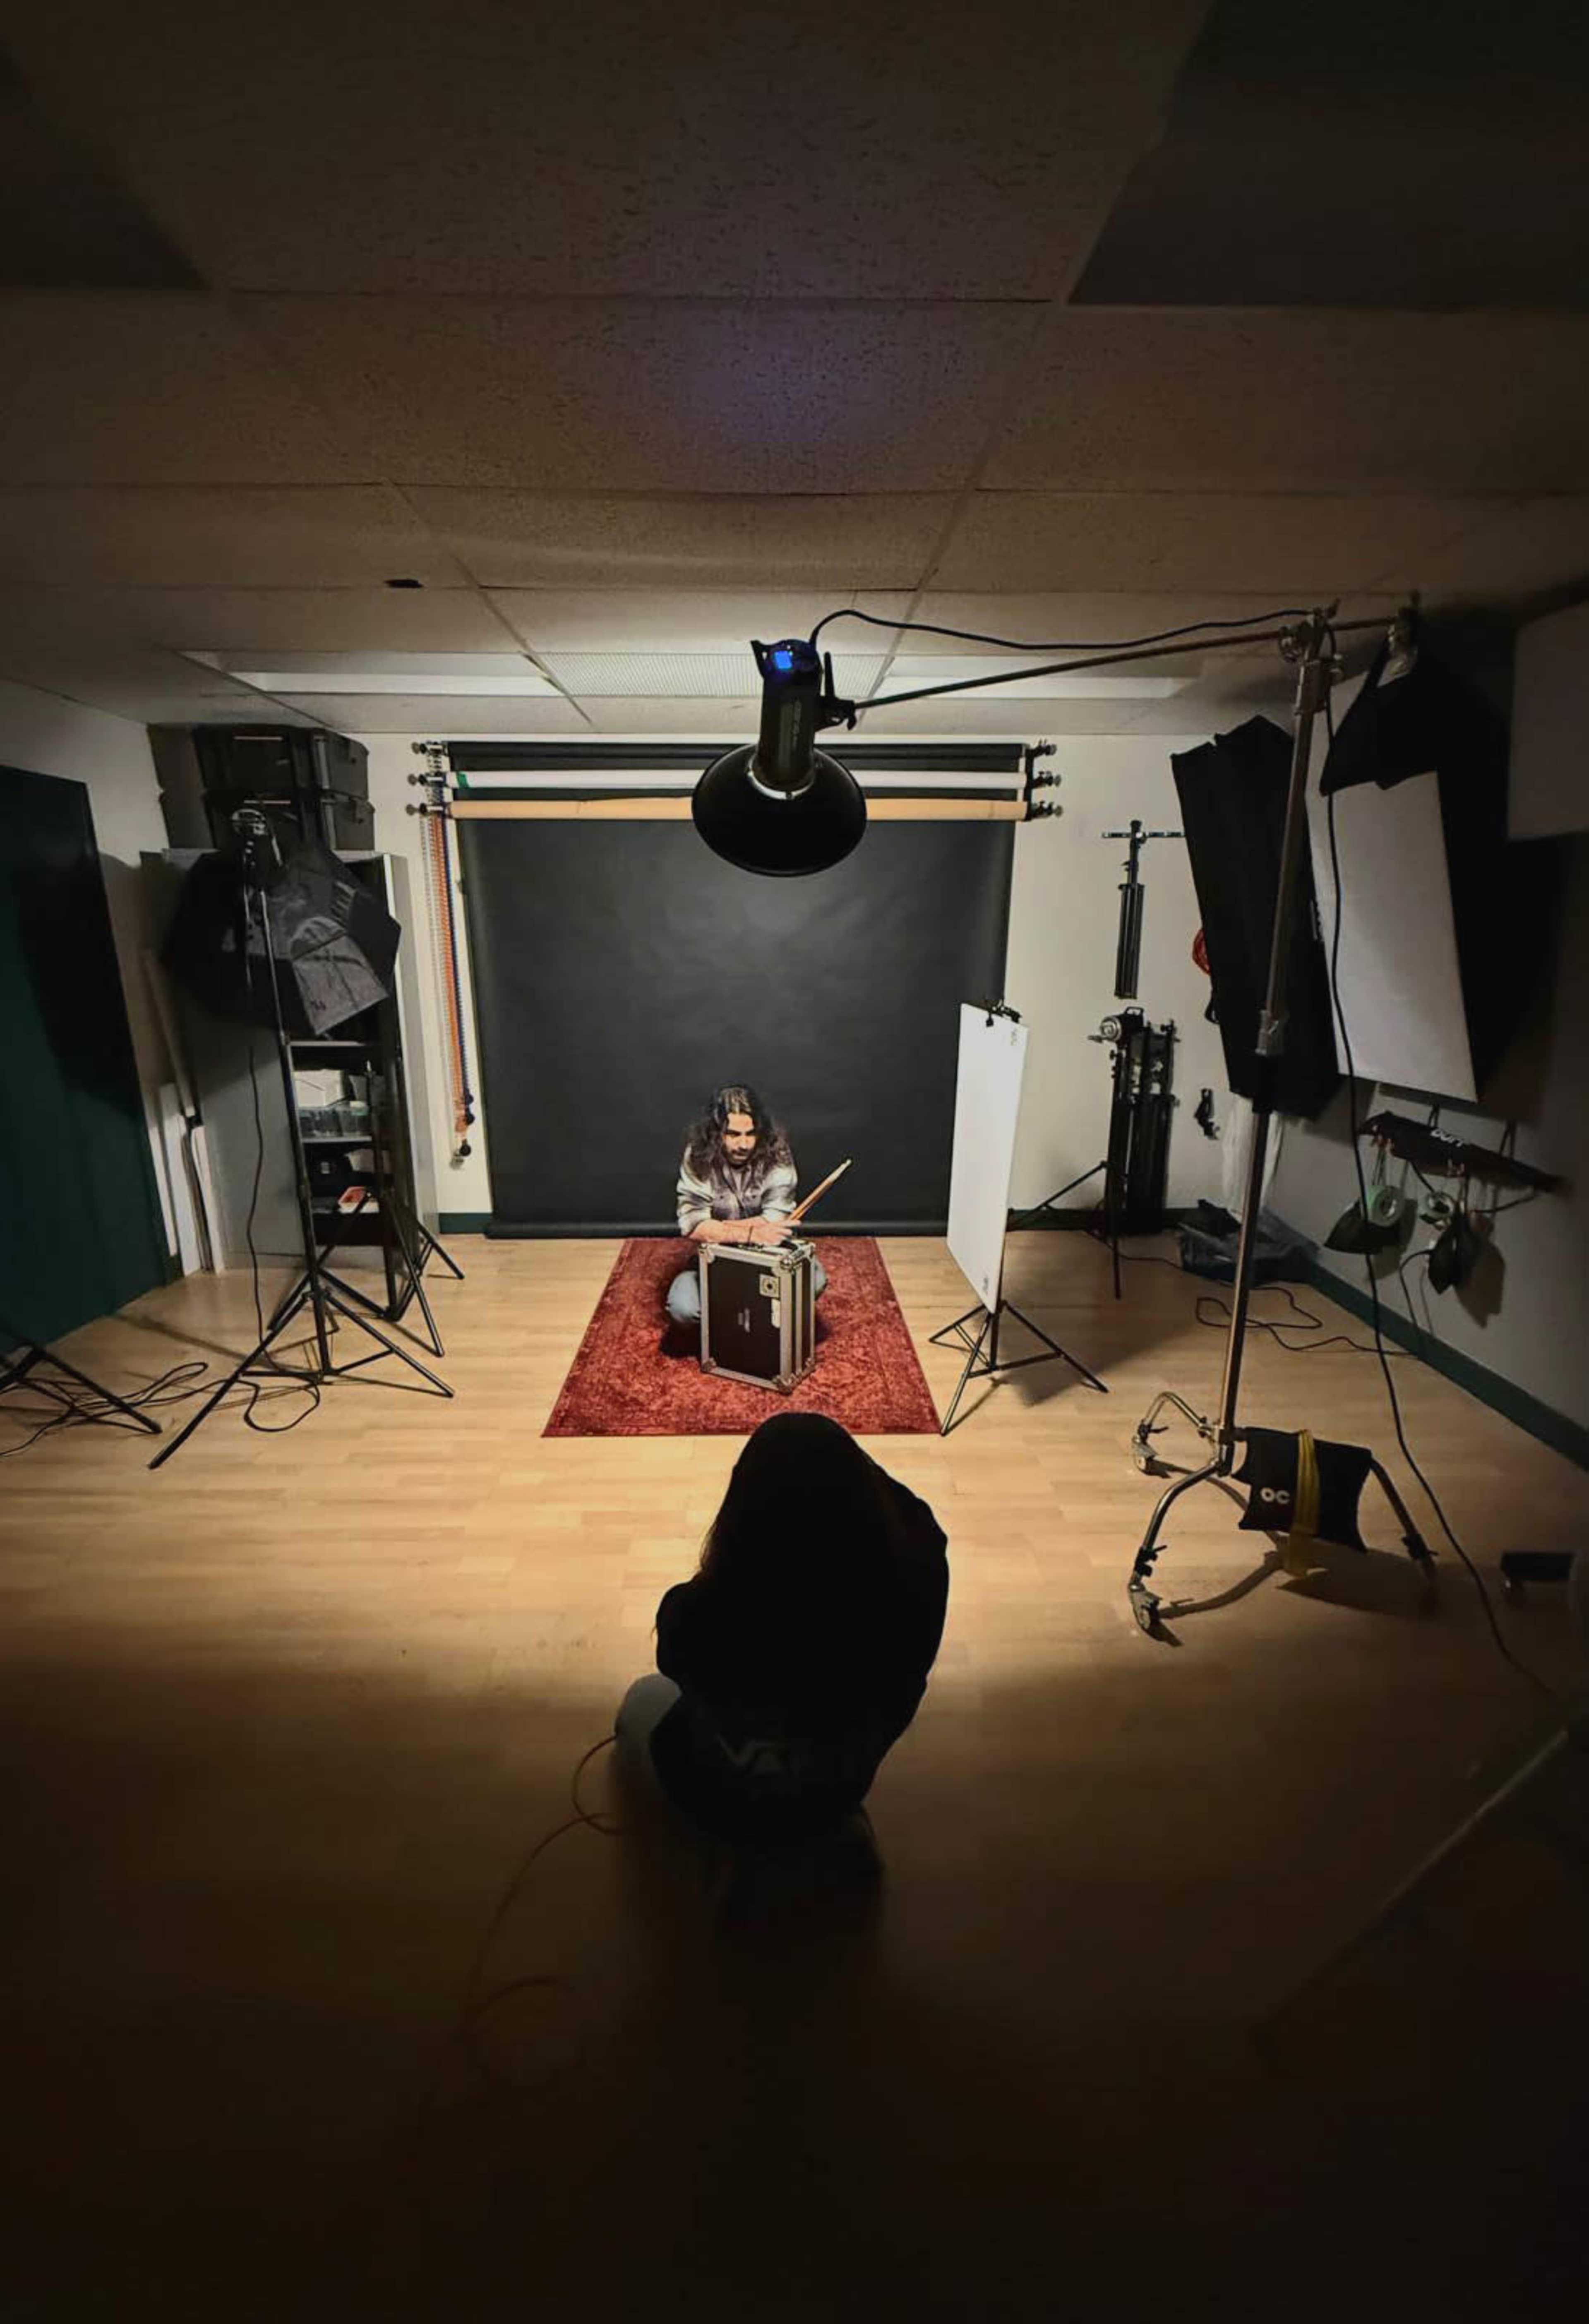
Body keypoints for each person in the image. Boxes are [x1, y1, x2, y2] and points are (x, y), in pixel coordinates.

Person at [615, 1413, 949, 1843]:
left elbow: (674, 1661)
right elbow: (924, 1528)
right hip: (837, 1795)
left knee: (642, 1699)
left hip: (713, 1794)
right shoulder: (914, 1597)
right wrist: (844, 1469)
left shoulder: (698, 1616)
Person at [664, 1083, 827, 1342]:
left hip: (770, 1258)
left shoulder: (777, 1152)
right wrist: (752, 1233)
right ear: (716, 1133)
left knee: (814, 1280)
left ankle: (752, 1314)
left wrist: (719, 1229)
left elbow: (775, 1223)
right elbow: (693, 1226)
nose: (744, 1144)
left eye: (751, 1134)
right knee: (684, 1310)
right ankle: (735, 1317)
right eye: (733, 1134)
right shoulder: (697, 1156)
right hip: (718, 1260)